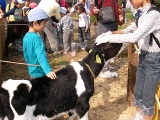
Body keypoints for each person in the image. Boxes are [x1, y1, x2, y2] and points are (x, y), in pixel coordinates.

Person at [95, 0, 160, 119]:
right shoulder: (142, 14)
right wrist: (111, 33)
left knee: (147, 99)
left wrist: (110, 39)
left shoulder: (153, 14)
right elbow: (128, 30)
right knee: (138, 92)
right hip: (144, 55)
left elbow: (134, 36)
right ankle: (138, 117)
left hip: (153, 59)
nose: (130, 1)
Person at [23, 7, 57, 79]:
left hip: (32, 72)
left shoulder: (26, 37)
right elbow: (41, 56)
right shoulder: (36, 38)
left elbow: (26, 55)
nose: (44, 26)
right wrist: (48, 71)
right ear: (35, 23)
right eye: (44, 23)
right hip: (40, 74)